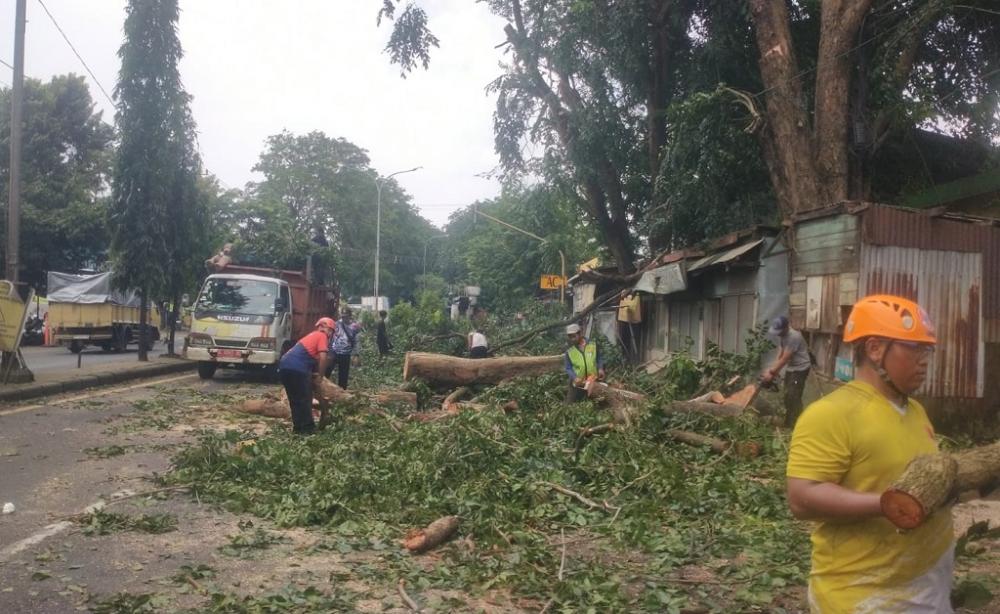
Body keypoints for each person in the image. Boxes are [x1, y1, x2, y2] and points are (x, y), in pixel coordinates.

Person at [786, 295, 952, 613]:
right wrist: (886, 504)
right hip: (861, 596)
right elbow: (801, 498)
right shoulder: (832, 414)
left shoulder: (915, 411)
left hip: (924, 588)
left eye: (927, 350)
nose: (924, 360)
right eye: (914, 348)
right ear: (875, 349)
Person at [278, 317, 334, 435]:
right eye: (331, 331)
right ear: (329, 330)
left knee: (295, 400)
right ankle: (308, 429)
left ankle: (298, 428)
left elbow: (311, 358)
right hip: (297, 368)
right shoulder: (321, 336)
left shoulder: (311, 336)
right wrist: (320, 377)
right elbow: (323, 358)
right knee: (305, 399)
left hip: (284, 366)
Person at [762, 315, 812, 427]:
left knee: (793, 396)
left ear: (786, 327)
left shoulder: (794, 336)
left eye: (780, 331)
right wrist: (772, 370)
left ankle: (800, 424)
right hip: (791, 368)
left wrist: (772, 372)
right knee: (787, 396)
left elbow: (785, 358)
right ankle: (789, 422)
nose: (778, 333)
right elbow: (780, 354)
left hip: (800, 369)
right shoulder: (782, 335)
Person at [563, 323, 605, 403]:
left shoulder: (592, 345)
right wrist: (574, 377)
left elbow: (599, 357)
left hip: (592, 381)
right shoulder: (569, 350)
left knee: (597, 404)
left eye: (574, 336)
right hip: (578, 383)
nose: (572, 339)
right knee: (570, 404)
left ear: (580, 333)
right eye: (570, 337)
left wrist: (600, 368)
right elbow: (568, 367)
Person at [327, 308, 359, 389]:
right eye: (343, 316)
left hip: (346, 354)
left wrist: (356, 354)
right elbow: (330, 337)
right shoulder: (336, 324)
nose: (344, 318)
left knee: (343, 376)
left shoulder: (354, 327)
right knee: (327, 372)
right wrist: (328, 350)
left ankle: (341, 393)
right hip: (334, 352)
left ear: (350, 316)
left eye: (346, 316)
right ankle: (323, 389)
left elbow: (356, 341)